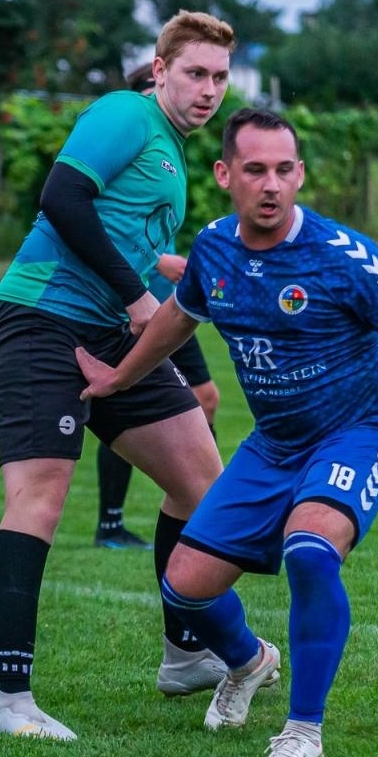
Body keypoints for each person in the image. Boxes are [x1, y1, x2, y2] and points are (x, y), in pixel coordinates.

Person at [78, 108, 378, 757]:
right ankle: (250, 662)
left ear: (301, 174)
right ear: (226, 175)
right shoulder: (216, 249)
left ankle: (302, 732)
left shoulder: (343, 258)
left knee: (309, 551)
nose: (271, 184)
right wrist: (121, 375)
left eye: (284, 169)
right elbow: (177, 319)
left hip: (360, 432)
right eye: (255, 170)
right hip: (275, 442)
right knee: (184, 588)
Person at [0, 10, 253, 742]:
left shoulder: (172, 152)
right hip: (41, 319)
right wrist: (140, 298)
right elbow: (62, 198)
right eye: (195, 73)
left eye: (220, 78)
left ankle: (184, 656)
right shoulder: (127, 113)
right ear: (159, 69)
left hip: (110, 332)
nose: (208, 90)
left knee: (202, 485)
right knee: (40, 497)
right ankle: (8, 698)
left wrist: (184, 277)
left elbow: (130, 242)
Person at [94, 62, 221, 551]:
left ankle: (202, 500)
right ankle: (111, 521)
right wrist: (165, 259)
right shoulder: (123, 140)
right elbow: (101, 223)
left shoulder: (171, 151)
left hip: (169, 308)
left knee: (206, 397)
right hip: (130, 307)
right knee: (124, 410)